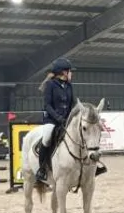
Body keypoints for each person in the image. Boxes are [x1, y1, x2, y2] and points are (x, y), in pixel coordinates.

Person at [35, 57, 107, 186]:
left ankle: (92, 166)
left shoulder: (69, 86)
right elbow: (47, 106)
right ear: (64, 72)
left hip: (67, 119)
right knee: (46, 138)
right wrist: (58, 118)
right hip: (52, 120)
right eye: (70, 71)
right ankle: (42, 169)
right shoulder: (50, 85)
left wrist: (78, 113)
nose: (71, 74)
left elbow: (73, 103)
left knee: (82, 136)